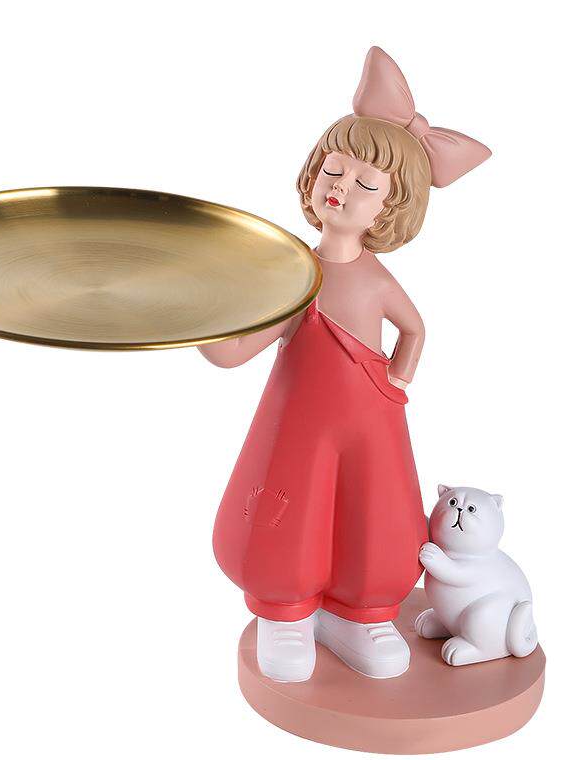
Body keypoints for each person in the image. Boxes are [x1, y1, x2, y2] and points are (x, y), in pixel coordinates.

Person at [199, 47, 491, 680]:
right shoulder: (294, 275)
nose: (341, 187)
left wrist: (396, 379)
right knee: (290, 506)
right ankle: (286, 613)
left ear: (391, 207)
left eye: (365, 184)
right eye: (334, 170)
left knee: (375, 509)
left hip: (371, 422)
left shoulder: (377, 278)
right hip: (298, 426)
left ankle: (361, 613)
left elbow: (414, 328)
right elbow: (235, 349)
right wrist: (205, 320)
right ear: (313, 174)